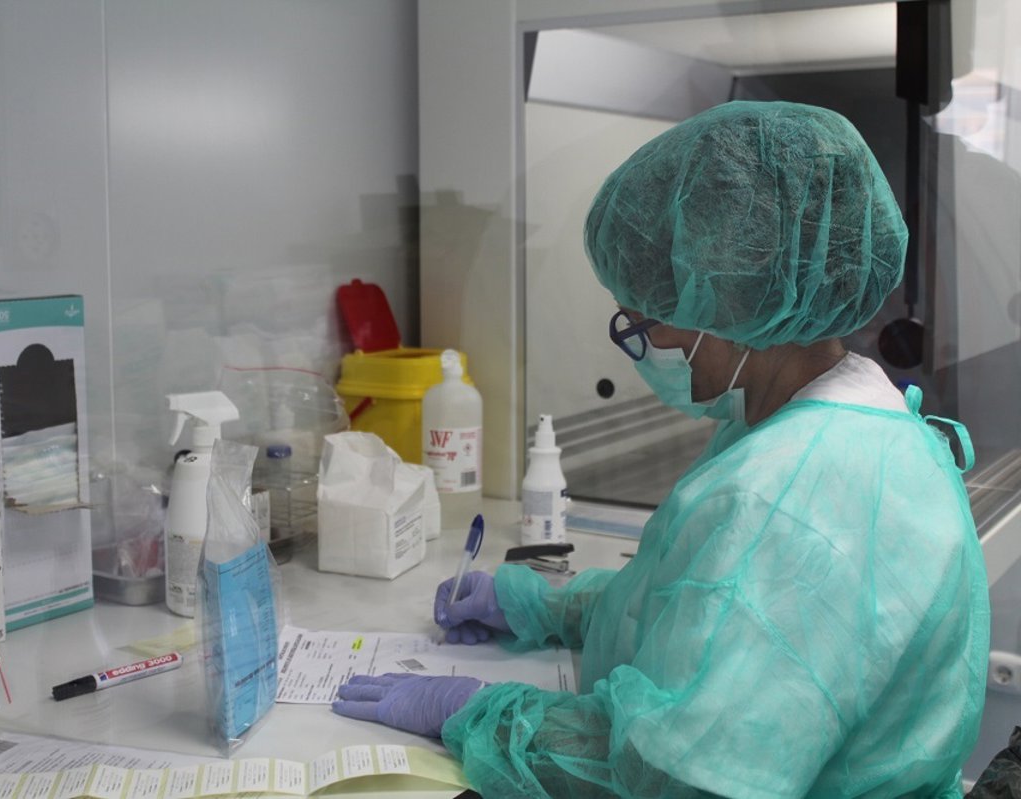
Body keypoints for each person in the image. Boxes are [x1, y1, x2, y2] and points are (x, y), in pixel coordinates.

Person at [331, 101, 989, 797]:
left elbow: (674, 777)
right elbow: (696, 610)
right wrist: (545, 607)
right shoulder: (822, 413)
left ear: (734, 300)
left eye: (654, 315)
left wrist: (478, 715)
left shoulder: (792, 493)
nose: (648, 340)